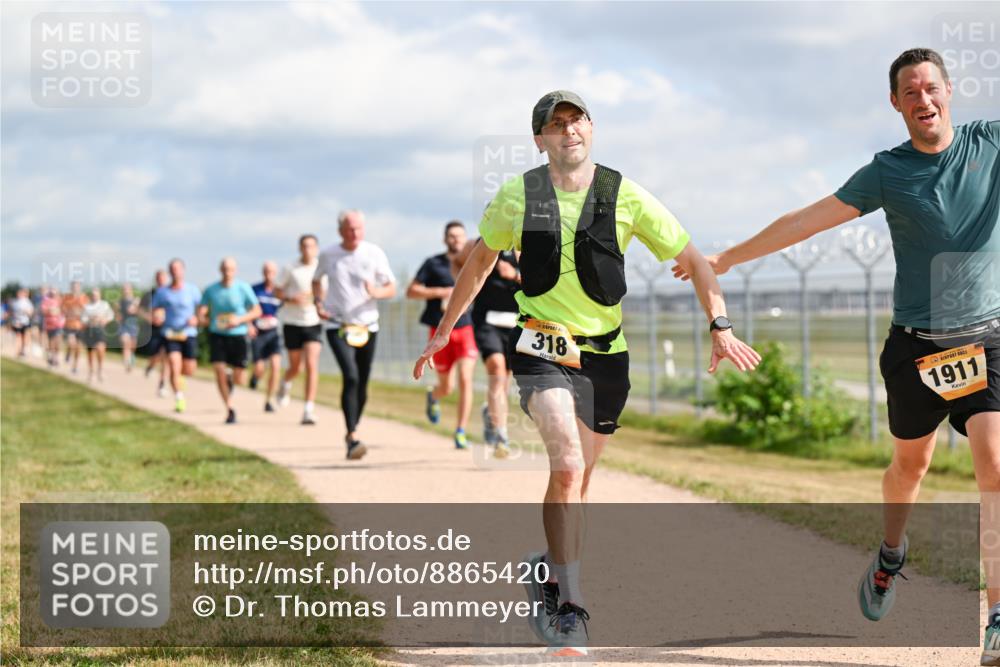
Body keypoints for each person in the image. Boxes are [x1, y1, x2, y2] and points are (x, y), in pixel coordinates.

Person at [671, 48, 1000, 665]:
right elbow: (807, 221)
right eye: (910, 91)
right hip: (916, 348)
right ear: (896, 103)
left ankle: (996, 615)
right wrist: (727, 259)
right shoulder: (888, 171)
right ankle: (891, 553)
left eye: (932, 87)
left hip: (988, 338)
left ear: (950, 91)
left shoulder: (991, 143)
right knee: (911, 468)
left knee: (996, 466)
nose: (923, 99)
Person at [414, 90, 759, 656]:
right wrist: (446, 327)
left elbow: (694, 259)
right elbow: (478, 261)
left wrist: (720, 323)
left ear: (591, 130)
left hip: (606, 355)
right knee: (568, 462)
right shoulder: (518, 195)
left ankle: (550, 567)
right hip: (542, 345)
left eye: (577, 121)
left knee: (581, 478)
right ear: (540, 139)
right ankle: (570, 604)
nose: (569, 131)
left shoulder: (624, 194)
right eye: (556, 124)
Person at [313, 210, 396, 459]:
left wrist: (376, 293)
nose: (355, 233)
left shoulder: (374, 252)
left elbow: (391, 287)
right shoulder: (329, 254)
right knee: (350, 376)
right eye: (350, 229)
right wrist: (318, 303)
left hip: (368, 325)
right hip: (337, 324)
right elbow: (316, 281)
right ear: (340, 230)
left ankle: (354, 428)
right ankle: (351, 436)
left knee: (362, 381)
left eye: (359, 228)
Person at [408, 221, 479, 449]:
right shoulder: (433, 264)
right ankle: (434, 397)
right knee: (446, 387)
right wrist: (441, 292)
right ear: (444, 239)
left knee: (466, 379)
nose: (456, 240)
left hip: (466, 328)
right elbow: (411, 291)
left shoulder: (472, 262)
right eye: (451, 236)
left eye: (460, 236)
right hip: (439, 331)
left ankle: (460, 431)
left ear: (465, 239)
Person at [452, 238, 521, 458]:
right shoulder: (477, 244)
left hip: (515, 322)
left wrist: (514, 275)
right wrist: (464, 290)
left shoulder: (523, 245)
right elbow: (458, 262)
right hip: (486, 321)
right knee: (497, 370)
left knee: (506, 380)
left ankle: (492, 415)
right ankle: (502, 436)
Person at [198, 257, 261, 424]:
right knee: (218, 369)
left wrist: (239, 320)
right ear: (220, 270)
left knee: (240, 376)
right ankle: (230, 408)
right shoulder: (211, 289)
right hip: (217, 334)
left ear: (235, 270)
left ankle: (231, 380)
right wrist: (202, 318)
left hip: (238, 334)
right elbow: (202, 311)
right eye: (225, 269)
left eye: (231, 269)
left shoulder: (243, 288)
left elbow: (256, 311)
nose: (227, 272)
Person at [275, 234, 327, 425]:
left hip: (313, 321)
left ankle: (308, 410)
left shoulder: (321, 269)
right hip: (292, 322)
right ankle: (285, 382)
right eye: (304, 246)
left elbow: (325, 292)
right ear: (299, 248)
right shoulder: (290, 268)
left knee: (312, 364)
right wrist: (291, 298)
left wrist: (321, 302)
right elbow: (277, 290)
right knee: (297, 366)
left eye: (311, 246)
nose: (307, 250)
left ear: (316, 248)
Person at [152, 259, 202, 413]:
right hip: (170, 333)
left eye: (178, 268)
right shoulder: (162, 292)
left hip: (188, 333)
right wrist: (158, 317)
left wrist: (197, 319)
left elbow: (202, 309)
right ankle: (179, 398)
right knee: (173, 364)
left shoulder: (192, 290)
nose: (175, 272)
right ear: (170, 272)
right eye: (172, 269)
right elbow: (155, 310)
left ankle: (180, 378)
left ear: (183, 270)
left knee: (189, 369)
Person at [249, 261, 283, 412]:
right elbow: (247, 308)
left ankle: (268, 400)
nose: (269, 275)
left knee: (276, 366)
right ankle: (255, 378)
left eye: (272, 272)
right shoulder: (255, 290)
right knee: (259, 367)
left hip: (273, 333)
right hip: (258, 332)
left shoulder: (279, 292)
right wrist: (249, 325)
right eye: (266, 271)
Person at [140, 270, 169, 397]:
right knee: (155, 355)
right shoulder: (151, 294)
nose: (161, 280)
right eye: (158, 278)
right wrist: (150, 318)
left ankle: (162, 384)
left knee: (166, 355)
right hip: (154, 329)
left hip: (169, 328)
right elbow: (140, 310)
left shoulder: (171, 292)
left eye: (163, 278)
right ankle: (150, 366)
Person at [81, 288, 114, 383]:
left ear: (99, 295)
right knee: (90, 353)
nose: (94, 296)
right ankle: (91, 372)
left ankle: (100, 369)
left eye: (96, 295)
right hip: (90, 330)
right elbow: (83, 319)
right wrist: (90, 319)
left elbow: (111, 316)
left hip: (100, 330)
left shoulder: (104, 305)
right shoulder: (87, 306)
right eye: (93, 295)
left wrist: (104, 320)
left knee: (101, 348)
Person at [61, 281, 87, 373]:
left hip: (80, 326)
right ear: (71, 288)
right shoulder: (66, 298)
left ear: (80, 288)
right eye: (74, 287)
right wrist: (69, 312)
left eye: (77, 287)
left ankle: (75, 367)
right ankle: (68, 352)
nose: (75, 288)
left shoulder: (84, 298)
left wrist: (80, 312)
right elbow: (62, 309)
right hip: (69, 324)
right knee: (71, 343)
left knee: (78, 347)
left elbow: (87, 310)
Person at [118, 283, 140, 372]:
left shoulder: (136, 300)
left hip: (133, 325)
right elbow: (118, 313)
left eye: (127, 289)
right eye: (124, 289)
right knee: (125, 342)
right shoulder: (120, 301)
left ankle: (131, 356)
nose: (125, 291)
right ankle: (127, 362)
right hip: (123, 326)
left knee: (132, 346)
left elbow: (137, 312)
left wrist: (135, 307)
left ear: (131, 290)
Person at [40, 287, 64, 367]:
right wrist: (51, 311)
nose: (53, 294)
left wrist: (56, 311)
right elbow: (43, 311)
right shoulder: (45, 301)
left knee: (58, 341)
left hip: (59, 324)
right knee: (51, 342)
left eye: (55, 292)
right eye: (52, 293)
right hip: (49, 325)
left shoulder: (60, 300)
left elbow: (63, 310)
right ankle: (52, 357)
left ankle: (56, 357)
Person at [10, 288, 34, 358]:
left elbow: (30, 312)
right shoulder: (16, 302)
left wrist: (25, 311)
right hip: (17, 322)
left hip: (25, 322)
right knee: (19, 336)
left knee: (25, 337)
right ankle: (19, 351)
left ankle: (23, 351)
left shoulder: (27, 302)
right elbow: (12, 313)